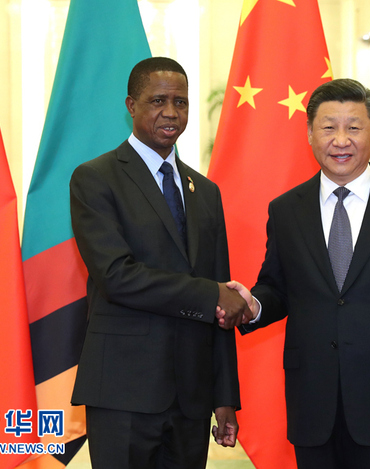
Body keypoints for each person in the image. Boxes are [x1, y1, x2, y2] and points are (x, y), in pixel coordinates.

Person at [219, 78, 370, 468]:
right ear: (309, 133)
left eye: (354, 127)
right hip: (315, 405)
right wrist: (253, 305)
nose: (341, 140)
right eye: (328, 126)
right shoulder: (287, 210)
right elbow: (278, 287)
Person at [69, 57, 250, 469]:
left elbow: (220, 304)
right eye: (158, 101)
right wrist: (210, 294)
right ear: (132, 105)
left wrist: (224, 397)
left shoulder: (205, 191)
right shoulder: (95, 178)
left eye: (181, 102)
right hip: (122, 391)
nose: (171, 112)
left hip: (191, 397)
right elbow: (117, 277)